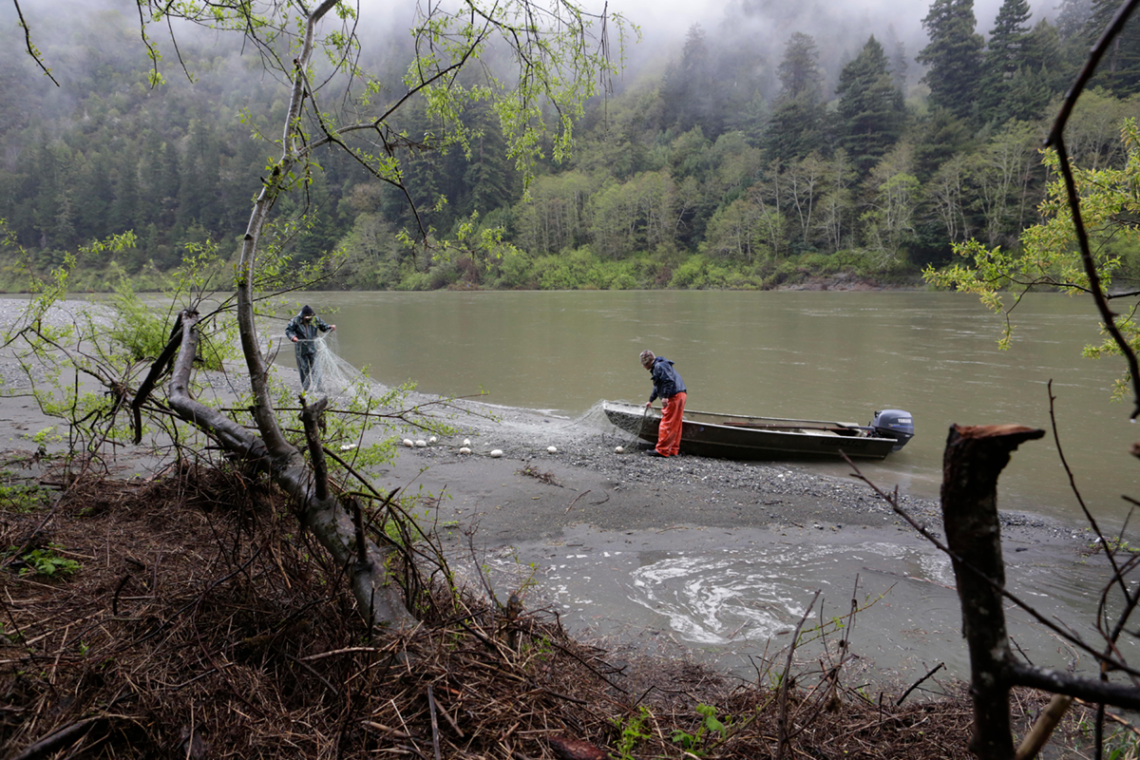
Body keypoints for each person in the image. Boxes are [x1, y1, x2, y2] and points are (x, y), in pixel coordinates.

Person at [640, 349, 687, 458]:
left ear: (647, 361)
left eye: (643, 364)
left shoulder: (659, 366)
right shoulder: (660, 365)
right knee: (676, 423)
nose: (643, 366)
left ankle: (662, 450)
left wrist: (665, 397)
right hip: (681, 394)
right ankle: (673, 450)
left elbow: (668, 381)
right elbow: (657, 386)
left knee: (667, 422)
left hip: (673, 396)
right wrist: (651, 400)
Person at [285, 305, 336, 393]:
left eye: (310, 316)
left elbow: (323, 327)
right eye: (307, 316)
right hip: (301, 348)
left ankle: (319, 387)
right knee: (303, 368)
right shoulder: (295, 320)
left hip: (313, 347)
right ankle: (306, 388)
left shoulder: (315, 319)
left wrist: (330, 327)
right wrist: (293, 337)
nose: (309, 318)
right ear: (303, 316)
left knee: (316, 367)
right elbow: (288, 330)